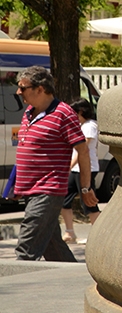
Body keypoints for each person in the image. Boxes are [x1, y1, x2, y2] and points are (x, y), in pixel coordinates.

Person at [11, 69, 92, 263]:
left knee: (26, 249)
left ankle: (13, 282)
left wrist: (85, 188)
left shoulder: (64, 114)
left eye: (22, 87)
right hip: (30, 191)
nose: (18, 92)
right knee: (53, 246)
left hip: (48, 191)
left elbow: (83, 151)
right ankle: (73, 276)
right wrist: (17, 184)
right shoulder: (28, 113)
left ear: (40, 89)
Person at [61, 98, 101, 253]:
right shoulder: (81, 126)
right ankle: (69, 232)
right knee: (64, 198)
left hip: (86, 168)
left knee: (89, 202)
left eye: (74, 113)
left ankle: (99, 235)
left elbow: (82, 151)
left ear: (81, 111)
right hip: (76, 169)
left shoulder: (90, 126)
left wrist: (68, 166)